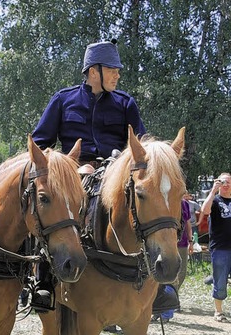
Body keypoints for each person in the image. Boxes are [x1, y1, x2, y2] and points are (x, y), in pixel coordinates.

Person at [29, 39, 151, 312]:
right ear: (94, 71)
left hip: (115, 172)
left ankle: (156, 279)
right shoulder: (63, 99)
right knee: (46, 208)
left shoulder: (125, 103)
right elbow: (39, 144)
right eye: (113, 69)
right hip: (73, 173)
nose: (118, 75)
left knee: (148, 205)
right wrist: (65, 167)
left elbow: (140, 146)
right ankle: (44, 282)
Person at [199, 172, 231, 322]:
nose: (226, 185)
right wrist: (212, 191)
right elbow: (205, 211)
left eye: (229, 182)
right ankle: (218, 312)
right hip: (220, 248)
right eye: (223, 182)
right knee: (220, 280)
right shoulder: (216, 200)